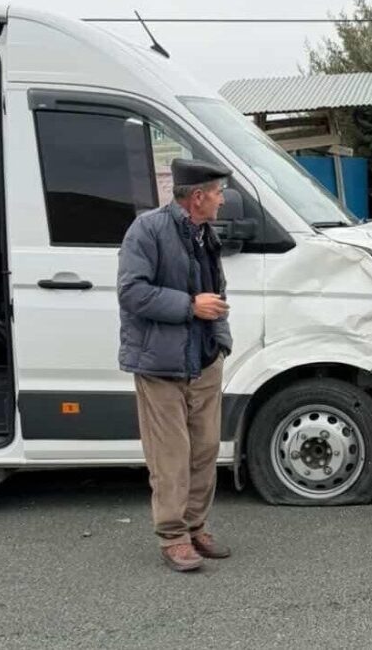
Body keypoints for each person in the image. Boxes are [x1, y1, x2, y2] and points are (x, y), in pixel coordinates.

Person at [118, 158, 234, 572]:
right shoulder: (147, 230)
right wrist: (190, 306)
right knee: (170, 456)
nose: (223, 200)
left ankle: (196, 526)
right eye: (218, 192)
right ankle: (173, 537)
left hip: (202, 358)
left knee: (204, 450)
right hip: (161, 364)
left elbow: (210, 288)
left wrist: (218, 335)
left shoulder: (205, 234)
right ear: (198, 197)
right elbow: (132, 292)